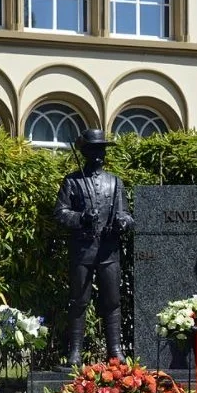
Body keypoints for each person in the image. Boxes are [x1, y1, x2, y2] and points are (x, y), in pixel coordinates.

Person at [53, 129, 134, 367]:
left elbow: (126, 215)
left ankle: (115, 350)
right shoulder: (72, 181)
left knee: (112, 300)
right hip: (82, 250)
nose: (99, 154)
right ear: (86, 152)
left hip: (108, 250)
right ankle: (75, 352)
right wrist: (82, 218)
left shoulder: (115, 181)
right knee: (79, 300)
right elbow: (60, 213)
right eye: (94, 149)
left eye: (102, 149)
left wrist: (122, 222)